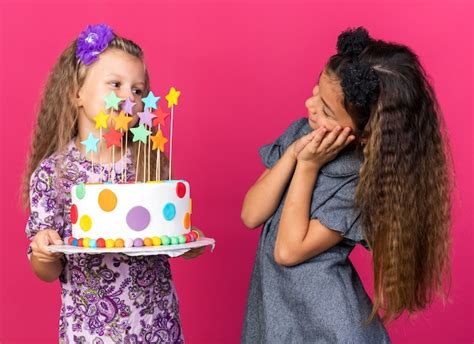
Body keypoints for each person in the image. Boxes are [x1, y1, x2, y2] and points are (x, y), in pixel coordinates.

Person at [241, 27, 451, 343]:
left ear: (364, 133)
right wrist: (295, 152)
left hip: (327, 325)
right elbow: (251, 214)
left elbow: (287, 251)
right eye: (316, 90)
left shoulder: (361, 185)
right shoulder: (301, 133)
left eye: (326, 110)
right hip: (277, 313)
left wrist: (308, 166)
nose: (309, 104)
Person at [23, 24, 203, 343]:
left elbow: (167, 232)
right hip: (91, 331)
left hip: (156, 322)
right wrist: (44, 252)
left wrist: (187, 243)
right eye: (115, 84)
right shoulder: (54, 174)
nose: (127, 97)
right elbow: (45, 270)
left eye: (137, 90)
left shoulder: (148, 162)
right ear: (75, 93)